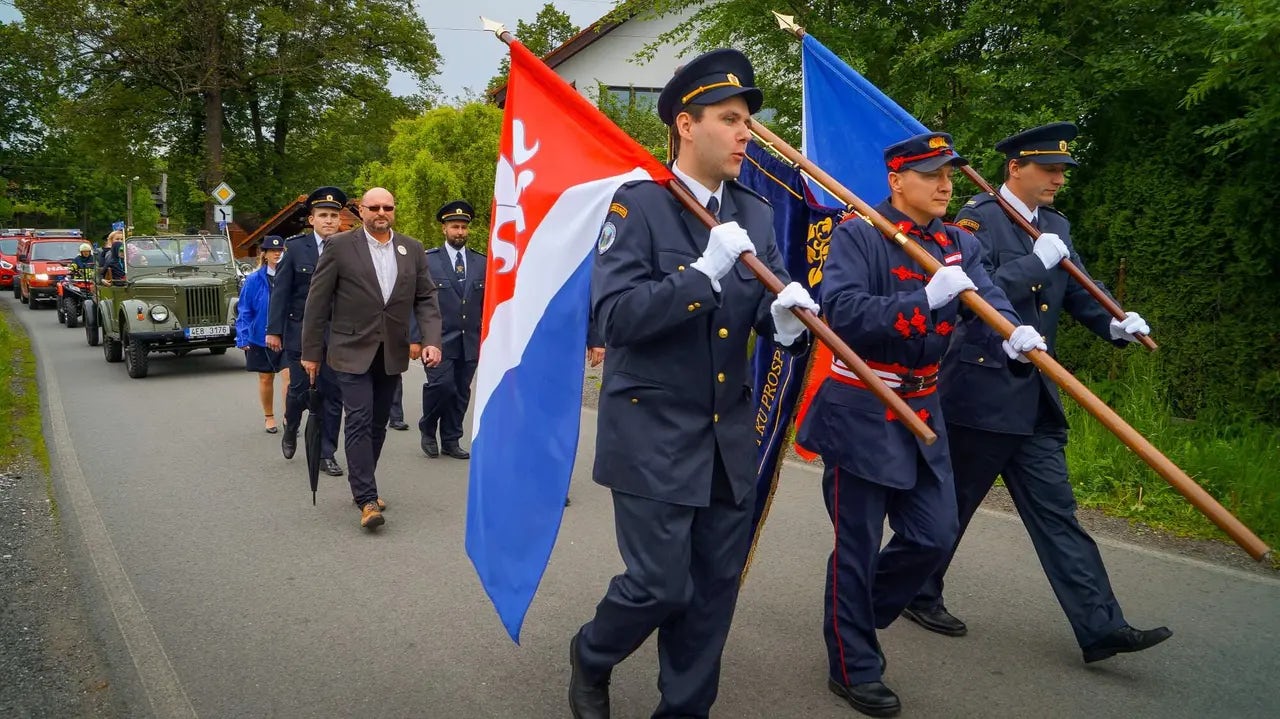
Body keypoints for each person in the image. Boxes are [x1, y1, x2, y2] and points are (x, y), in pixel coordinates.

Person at [568, 49, 818, 719]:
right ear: (686, 124)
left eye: (748, 122)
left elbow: (762, 311)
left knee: (710, 592)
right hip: (650, 430)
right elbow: (613, 316)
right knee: (657, 585)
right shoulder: (639, 205)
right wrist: (700, 276)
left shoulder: (755, 214)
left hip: (725, 435)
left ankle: (682, 711)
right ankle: (592, 654)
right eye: (731, 119)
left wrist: (788, 323)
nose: (747, 134)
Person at [794, 131, 1042, 717]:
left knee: (933, 535)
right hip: (861, 408)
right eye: (932, 174)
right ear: (897, 181)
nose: (946, 184)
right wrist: (922, 303)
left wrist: (1012, 335)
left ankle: (851, 614)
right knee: (855, 546)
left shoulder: (959, 242)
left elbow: (988, 300)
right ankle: (853, 664)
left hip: (925, 411)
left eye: (950, 173)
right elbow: (843, 313)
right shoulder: (860, 235)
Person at [904, 122, 1171, 663]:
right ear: (1014, 169)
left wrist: (1114, 327)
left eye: (1062, 171)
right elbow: (974, 294)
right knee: (951, 509)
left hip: (1035, 398)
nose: (1057, 179)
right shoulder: (977, 220)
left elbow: (1077, 290)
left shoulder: (1054, 225)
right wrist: (1036, 262)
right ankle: (912, 589)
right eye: (1048, 169)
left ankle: (1100, 626)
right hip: (980, 392)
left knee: (1058, 513)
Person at [301, 187, 443, 529]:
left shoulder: (412, 249)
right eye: (374, 207)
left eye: (388, 207)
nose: (381, 212)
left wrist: (431, 340)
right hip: (349, 349)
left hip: (391, 351)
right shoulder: (339, 246)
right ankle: (366, 497)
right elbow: (317, 304)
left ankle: (362, 483)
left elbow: (425, 298)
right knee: (360, 419)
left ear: (394, 210)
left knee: (378, 422)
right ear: (360, 211)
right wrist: (310, 353)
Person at [267, 187, 347, 478]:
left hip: (336, 336)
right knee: (300, 392)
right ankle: (291, 427)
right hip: (300, 332)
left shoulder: (347, 247)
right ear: (311, 219)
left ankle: (327, 453)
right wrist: (274, 330)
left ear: (340, 220)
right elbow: (281, 292)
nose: (329, 220)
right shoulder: (296, 248)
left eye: (334, 216)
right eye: (323, 215)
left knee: (332, 395)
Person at [413, 200, 486, 459]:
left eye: (464, 227)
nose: (460, 232)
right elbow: (416, 300)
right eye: (455, 226)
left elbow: (487, 304)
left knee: (461, 391)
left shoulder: (480, 262)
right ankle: (428, 427)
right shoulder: (428, 261)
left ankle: (452, 439)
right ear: (444, 229)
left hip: (470, 341)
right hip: (438, 340)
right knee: (442, 386)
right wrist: (415, 338)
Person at [235, 235, 290, 433]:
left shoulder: (289, 276)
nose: (277, 253)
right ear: (264, 254)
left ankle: (288, 417)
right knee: (266, 378)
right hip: (260, 336)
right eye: (272, 250)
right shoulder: (254, 280)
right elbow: (245, 310)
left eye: (281, 250)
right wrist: (242, 336)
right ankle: (269, 416)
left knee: (289, 377)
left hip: (286, 335)